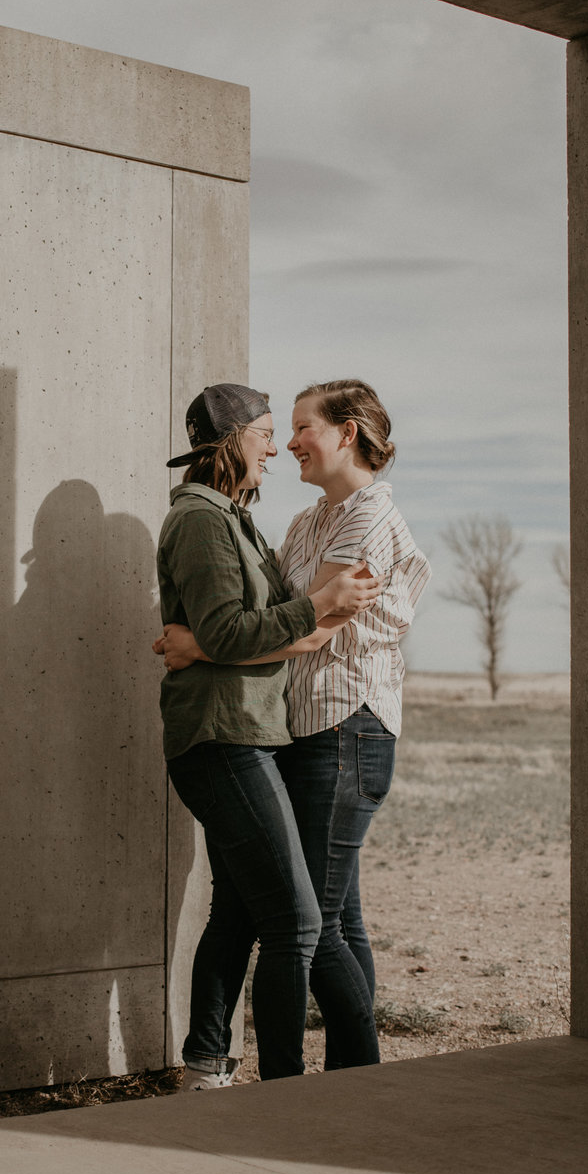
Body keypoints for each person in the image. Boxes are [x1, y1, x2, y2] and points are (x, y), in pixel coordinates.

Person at [158, 380, 430, 1072]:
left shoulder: (366, 519)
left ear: (347, 434)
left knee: (313, 922)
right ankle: (322, 1077)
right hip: (282, 731)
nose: (287, 443)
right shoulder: (303, 523)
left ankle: (336, 1079)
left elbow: (314, 625)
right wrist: (213, 640)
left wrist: (202, 644)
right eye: (276, 431)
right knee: (317, 918)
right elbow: (271, 618)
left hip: (344, 725)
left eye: (304, 426)